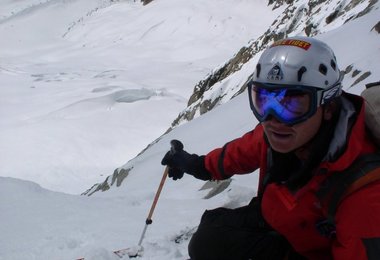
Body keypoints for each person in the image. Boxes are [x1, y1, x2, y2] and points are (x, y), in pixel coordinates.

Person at [161, 36, 380, 260]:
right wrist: (190, 163)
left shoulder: (362, 193)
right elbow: (235, 156)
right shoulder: (282, 135)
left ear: (328, 108)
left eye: (293, 104)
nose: (274, 119)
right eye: (264, 101)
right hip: (280, 222)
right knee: (209, 237)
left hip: (314, 251)